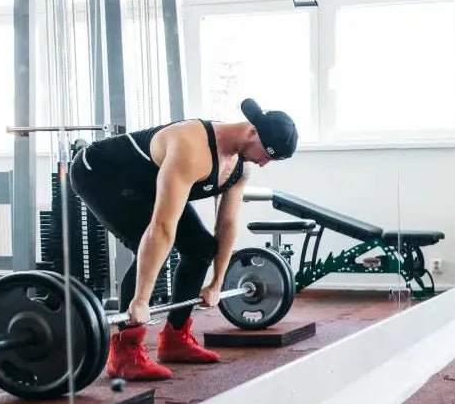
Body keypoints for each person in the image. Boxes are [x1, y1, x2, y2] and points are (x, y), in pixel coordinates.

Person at [70, 98, 298, 381]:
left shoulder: (241, 167)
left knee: (201, 247)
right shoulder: (192, 147)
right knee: (152, 244)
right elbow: (163, 227)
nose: (264, 163)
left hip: (148, 184)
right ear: (252, 132)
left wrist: (217, 283)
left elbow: (226, 225)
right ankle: (125, 351)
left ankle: (175, 338)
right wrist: (141, 300)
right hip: (101, 174)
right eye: (266, 154)